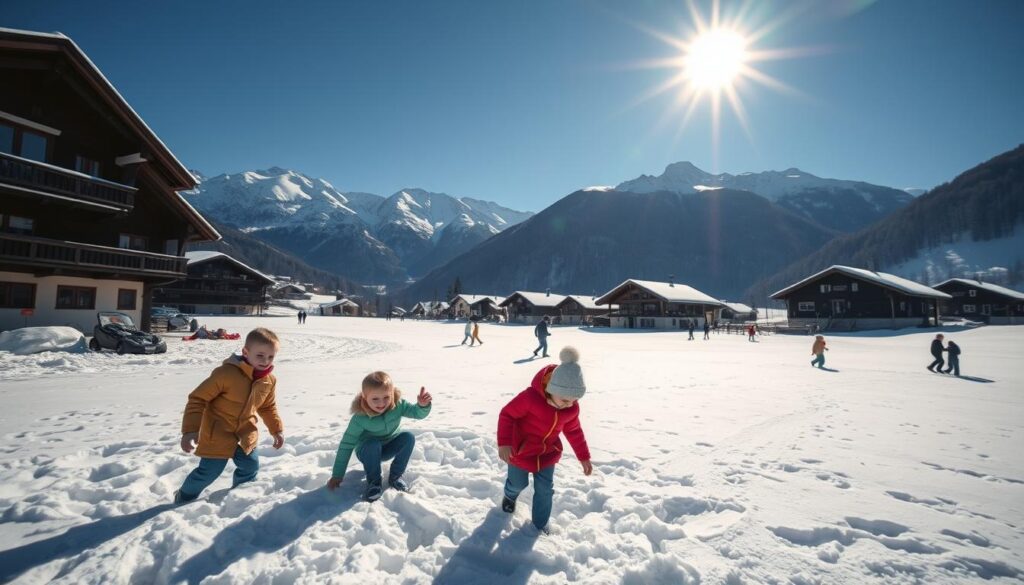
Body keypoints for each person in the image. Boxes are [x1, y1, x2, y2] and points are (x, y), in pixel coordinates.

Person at [175, 328, 285, 503]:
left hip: (245, 433)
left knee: (250, 466)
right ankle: (184, 498)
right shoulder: (226, 374)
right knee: (209, 472)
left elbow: (267, 407)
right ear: (245, 352)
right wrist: (190, 430)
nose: (266, 361)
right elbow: (197, 399)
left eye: (271, 357)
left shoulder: (269, 381)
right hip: (218, 433)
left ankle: (240, 497)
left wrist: (276, 429)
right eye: (260, 355)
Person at [497, 346, 592, 534]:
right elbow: (507, 414)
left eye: (574, 400)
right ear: (551, 389)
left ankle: (539, 526)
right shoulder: (530, 398)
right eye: (565, 399)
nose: (570, 404)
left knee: (545, 490)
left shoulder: (570, 409)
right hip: (521, 450)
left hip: (547, 453)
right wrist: (505, 443)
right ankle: (510, 496)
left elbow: (574, 431)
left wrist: (583, 456)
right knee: (518, 484)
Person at [327, 371, 433, 501]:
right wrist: (337, 475)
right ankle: (374, 483)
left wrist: (422, 406)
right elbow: (346, 445)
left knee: (408, 437)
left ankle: (395, 477)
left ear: (392, 394)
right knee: (372, 444)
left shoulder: (398, 405)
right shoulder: (360, 418)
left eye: (386, 397)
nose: (381, 403)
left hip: (388, 447)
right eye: (375, 399)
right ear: (365, 397)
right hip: (367, 451)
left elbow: (417, 413)